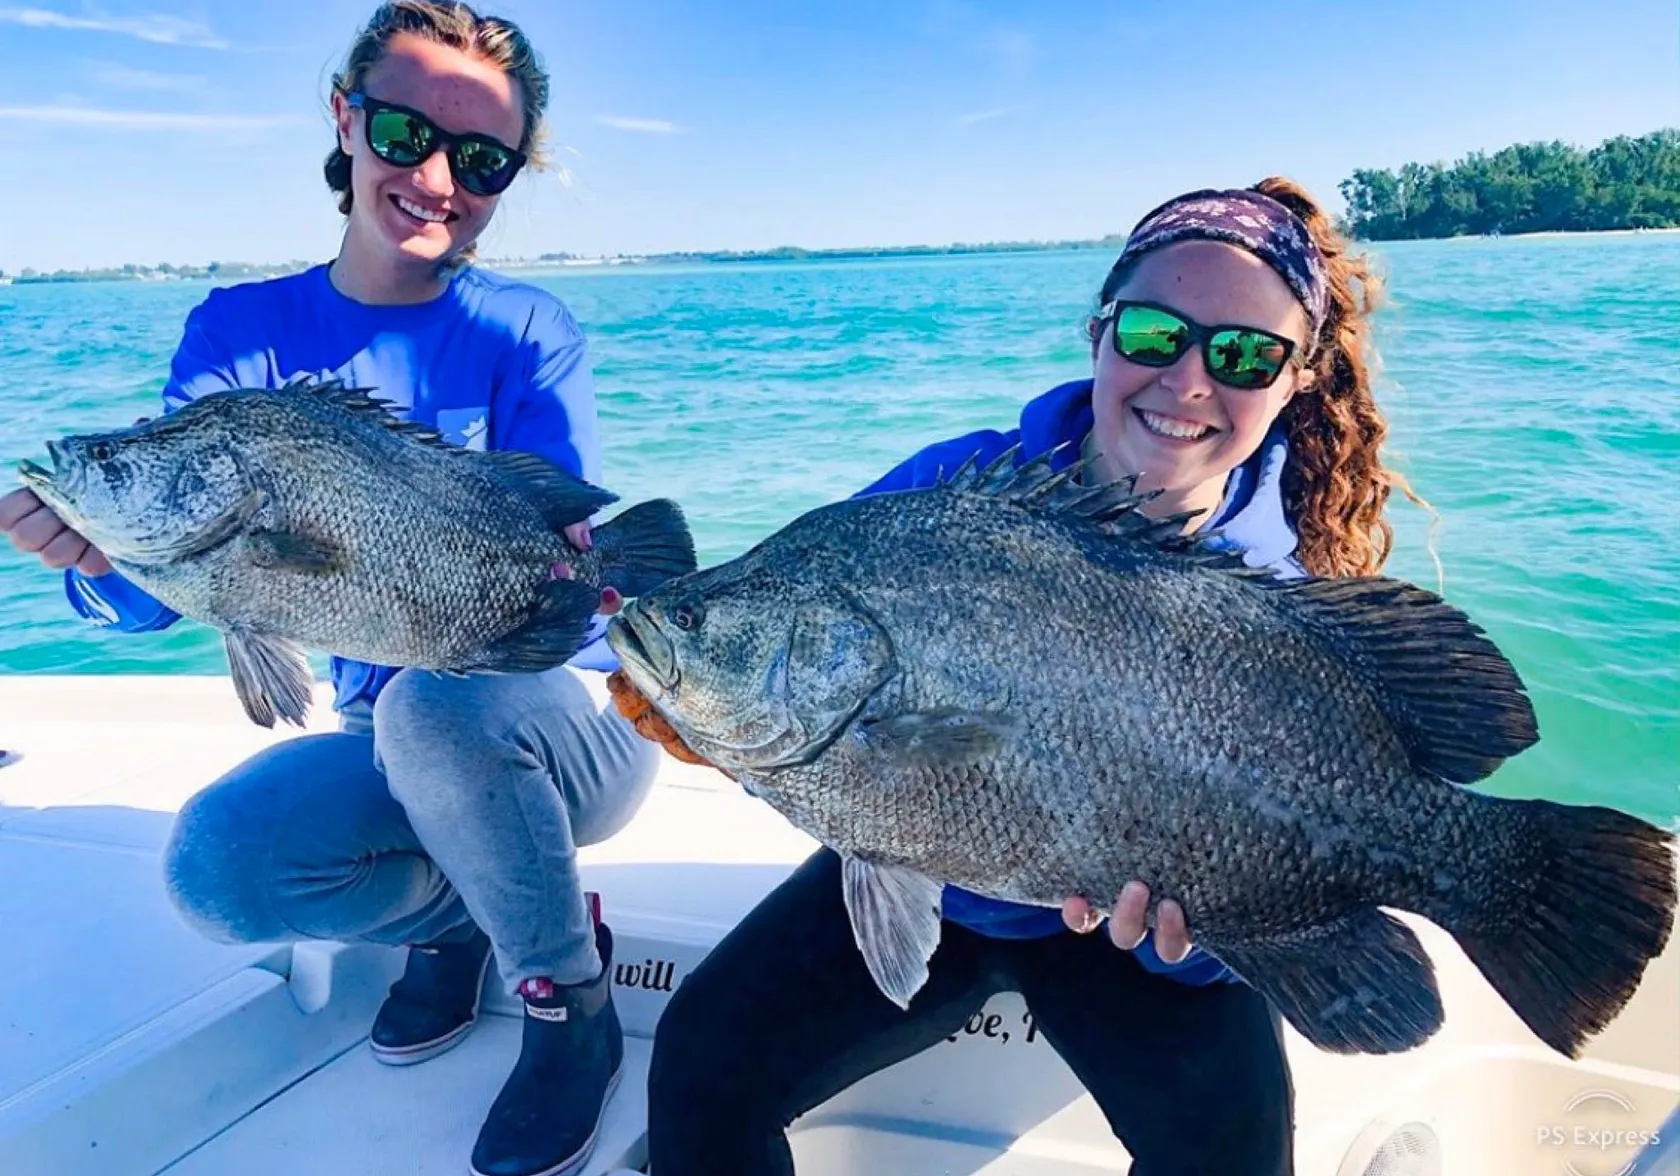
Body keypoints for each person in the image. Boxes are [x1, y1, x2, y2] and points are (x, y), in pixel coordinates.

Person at [642, 177, 1419, 1176]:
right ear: (1098, 334)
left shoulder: (1284, 598)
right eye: (1152, 333)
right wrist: (711, 724)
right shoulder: (938, 496)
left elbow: (1281, 858)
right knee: (700, 1064)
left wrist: (1202, 930)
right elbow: (812, 719)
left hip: (1138, 948)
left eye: (1241, 354)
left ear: (1299, 377)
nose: (1187, 381)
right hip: (937, 891)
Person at [0, 5, 654, 1175]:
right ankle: (457, 924)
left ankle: (570, 1005)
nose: (437, 176)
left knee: (435, 706)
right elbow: (165, 596)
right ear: (347, 121)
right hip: (383, 739)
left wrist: (622, 620)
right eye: (404, 130)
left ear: (509, 176)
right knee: (222, 867)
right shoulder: (240, 331)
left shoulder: (525, 331)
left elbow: (566, 575)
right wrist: (89, 552)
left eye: (484, 158)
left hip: (549, 734)